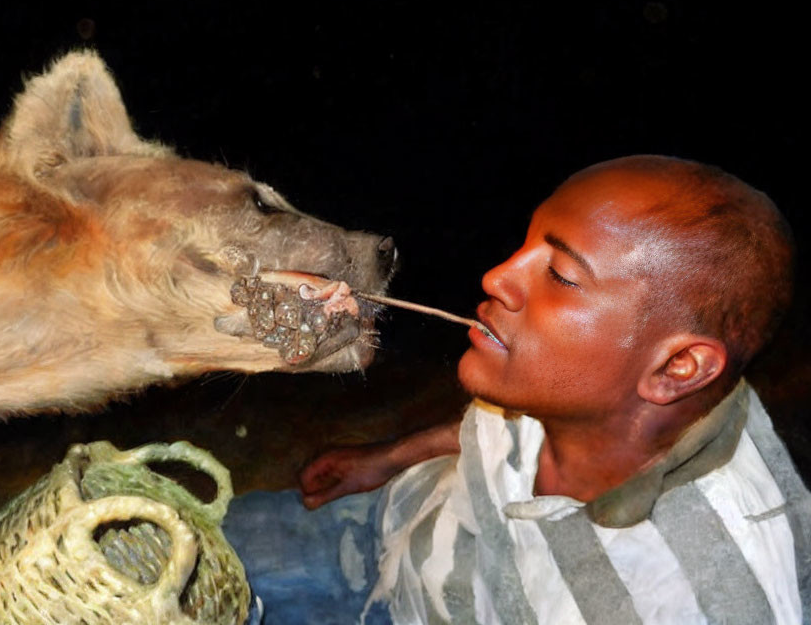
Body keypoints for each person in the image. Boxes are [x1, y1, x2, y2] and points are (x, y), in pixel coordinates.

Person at [226, 155, 810, 624]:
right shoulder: (583, 394)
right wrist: (385, 460)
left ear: (678, 366)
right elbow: (505, 427)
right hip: (385, 531)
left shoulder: (701, 595)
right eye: (526, 245)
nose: (496, 277)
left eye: (560, 274)